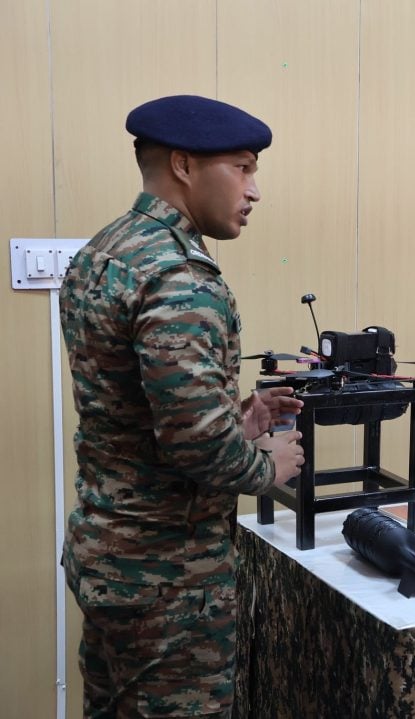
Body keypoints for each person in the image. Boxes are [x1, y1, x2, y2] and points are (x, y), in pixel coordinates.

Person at [59, 94, 306, 718]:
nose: (254, 190)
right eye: (244, 168)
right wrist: (265, 465)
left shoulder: (104, 252)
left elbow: (127, 406)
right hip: (170, 578)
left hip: (112, 555)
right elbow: (195, 444)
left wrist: (236, 418)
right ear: (184, 166)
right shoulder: (179, 276)